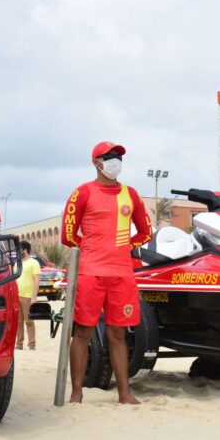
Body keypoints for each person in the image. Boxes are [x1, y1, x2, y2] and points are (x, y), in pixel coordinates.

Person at [61, 141, 152, 404]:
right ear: (96, 162)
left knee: (118, 334)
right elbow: (68, 235)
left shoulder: (131, 194)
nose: (116, 161)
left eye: (119, 157)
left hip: (122, 275)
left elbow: (146, 232)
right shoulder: (82, 193)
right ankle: (76, 393)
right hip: (91, 274)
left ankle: (125, 393)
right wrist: (90, 248)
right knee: (83, 333)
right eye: (110, 156)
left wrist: (125, 247)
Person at [15, 240, 41, 350]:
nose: (17, 252)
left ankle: (31, 345)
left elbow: (36, 281)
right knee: (18, 321)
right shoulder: (17, 263)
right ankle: (19, 344)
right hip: (17, 296)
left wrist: (34, 297)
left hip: (28, 297)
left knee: (29, 321)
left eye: (19, 249)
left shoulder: (34, 263)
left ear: (25, 249)